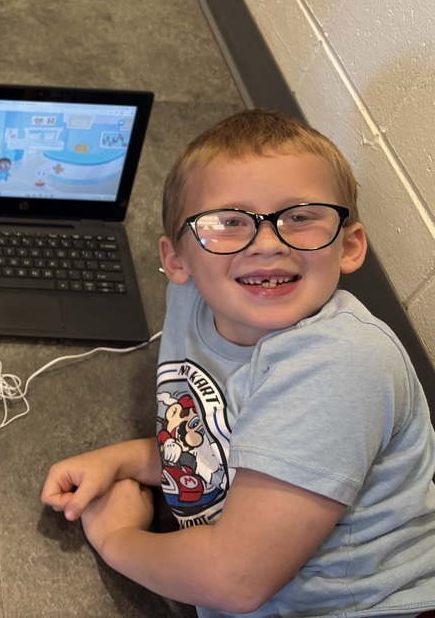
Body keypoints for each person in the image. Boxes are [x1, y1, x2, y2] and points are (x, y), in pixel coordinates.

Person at [42, 110, 435, 617]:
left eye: (299, 216)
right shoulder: (196, 301)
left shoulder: (342, 364)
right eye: (228, 222)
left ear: (350, 246)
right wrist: (123, 459)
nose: (267, 243)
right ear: (177, 260)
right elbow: (221, 445)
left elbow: (235, 579)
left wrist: (117, 537)